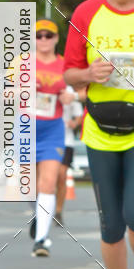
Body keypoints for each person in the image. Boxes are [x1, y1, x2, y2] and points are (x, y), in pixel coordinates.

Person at [64, 0, 134, 269]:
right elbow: (69, 73)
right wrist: (90, 73)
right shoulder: (87, 13)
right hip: (101, 131)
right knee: (111, 224)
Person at [30, 19, 73, 256]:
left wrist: (70, 97)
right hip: (26, 129)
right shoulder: (23, 64)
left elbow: (79, 92)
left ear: (57, 38)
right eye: (39, 35)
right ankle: (40, 215)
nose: (44, 40)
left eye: (49, 35)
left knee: (48, 181)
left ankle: (41, 240)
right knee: (31, 186)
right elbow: (6, 93)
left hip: (53, 130)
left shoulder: (65, 66)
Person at [55, 86, 84, 226]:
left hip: (66, 141)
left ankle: (58, 211)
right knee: (45, 177)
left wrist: (75, 123)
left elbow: (79, 115)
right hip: (46, 139)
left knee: (61, 175)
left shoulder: (70, 91)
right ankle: (43, 209)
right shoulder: (41, 86)